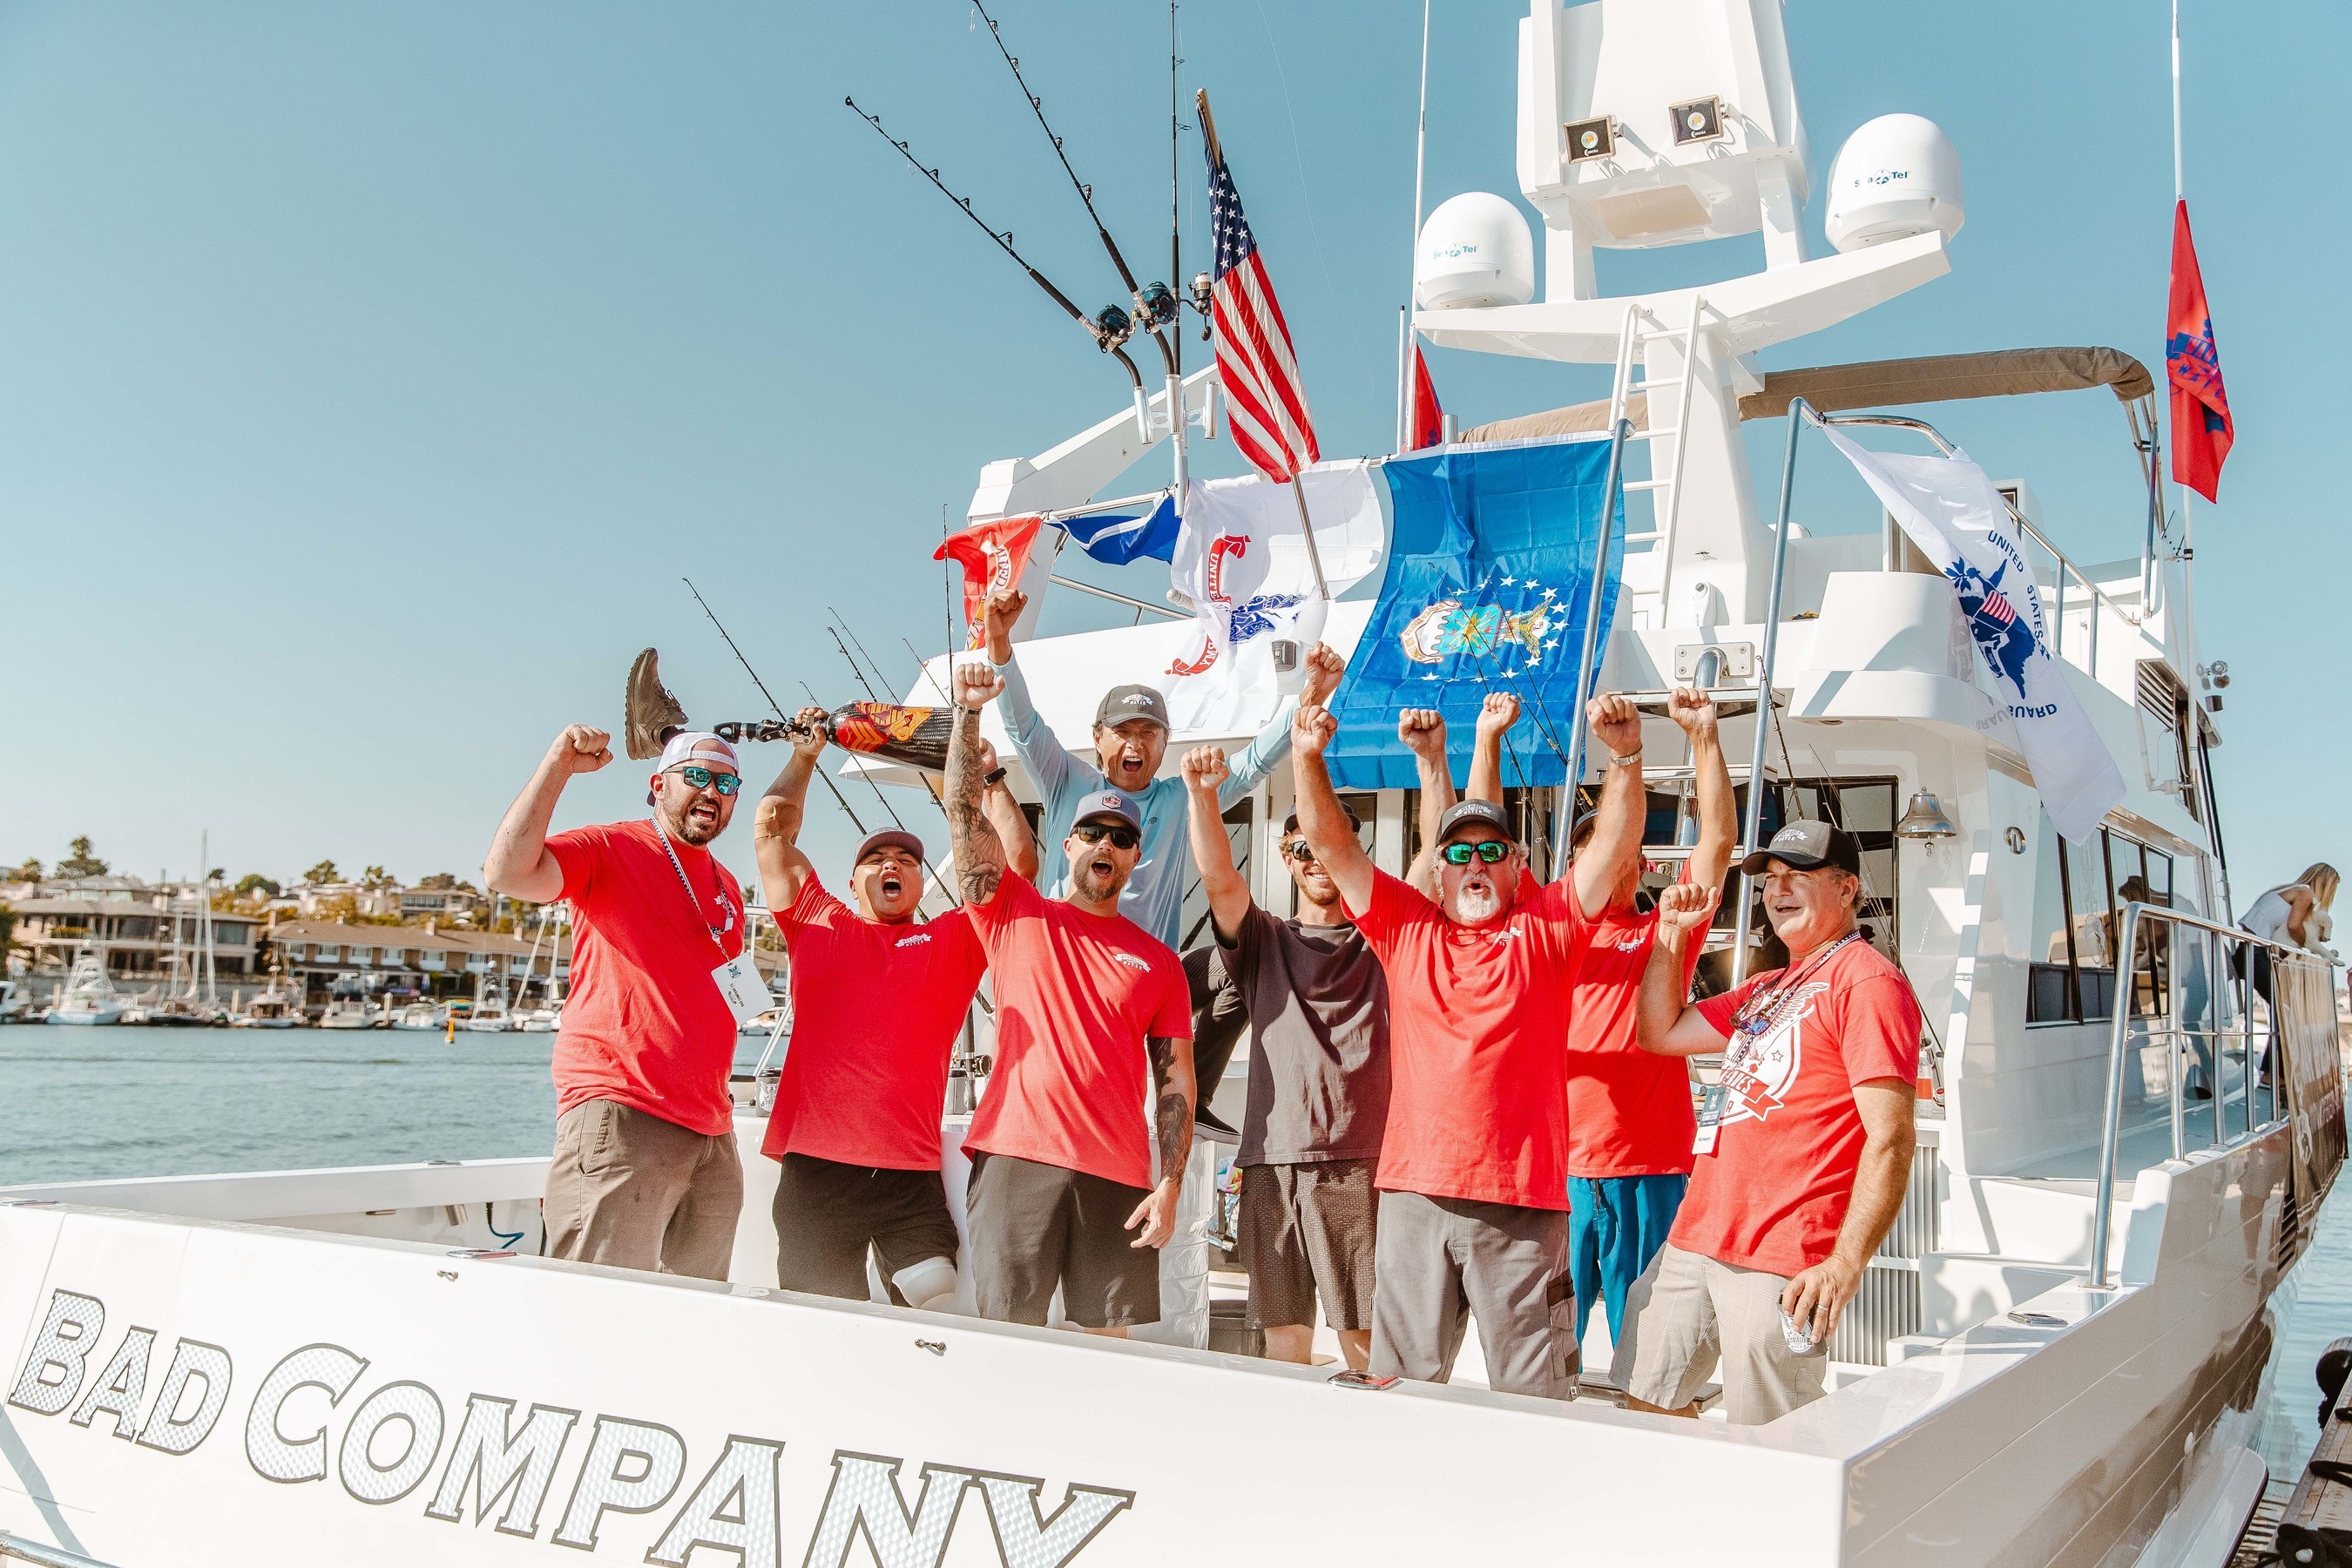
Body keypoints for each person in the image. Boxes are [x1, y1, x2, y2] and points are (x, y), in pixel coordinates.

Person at [1286, 693, 1647, 1400]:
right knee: (1400, 1392)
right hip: (1414, 1197)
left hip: (1523, 1205)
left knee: (1535, 1398)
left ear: (1517, 866)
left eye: (1490, 850)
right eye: (1457, 852)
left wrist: (1626, 758)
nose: (1473, 862)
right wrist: (1306, 757)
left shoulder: (1549, 927)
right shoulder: (1407, 927)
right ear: (1439, 870)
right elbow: (1332, 845)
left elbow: (1612, 849)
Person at [1410, 688, 1737, 1348]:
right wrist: (1488, 738)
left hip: (1649, 1168)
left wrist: (1704, 736)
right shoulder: (1548, 926)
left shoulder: (1666, 930)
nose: (1607, 865)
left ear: (1638, 862)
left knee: (1646, 1343)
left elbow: (1718, 841)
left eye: (1617, 853)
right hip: (1555, 1170)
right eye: (1593, 855)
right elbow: (1484, 840)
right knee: (1549, 1340)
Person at [1617, 820, 1923, 1425]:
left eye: (1798, 877)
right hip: (1696, 1236)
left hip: (1784, 1252)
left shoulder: (1868, 982)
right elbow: (1659, 1032)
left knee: (1772, 1432)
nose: (1778, 890)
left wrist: (1844, 1263)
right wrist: (1670, 934)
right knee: (1647, 1401)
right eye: (1771, 878)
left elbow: (1892, 1136)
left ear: (1847, 889)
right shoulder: (1765, 986)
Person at [750, 706, 1037, 1310]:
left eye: (907, 861)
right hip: (818, 1172)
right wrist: (804, 757)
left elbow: (1015, 869)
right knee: (824, 1319)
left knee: (935, 1305)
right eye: (876, 859)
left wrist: (987, 781)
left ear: (920, 884)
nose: (892, 865)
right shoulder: (816, 920)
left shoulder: (951, 940)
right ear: (852, 882)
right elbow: (772, 835)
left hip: (909, 1174)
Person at [943, 660, 1197, 1335]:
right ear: (1067, 844)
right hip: (1016, 1160)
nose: (1106, 844)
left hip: (1117, 1175)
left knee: (1108, 1352)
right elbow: (963, 816)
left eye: (1122, 837)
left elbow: (1176, 1081)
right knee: (1008, 1342)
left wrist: (1171, 1183)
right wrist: (968, 714)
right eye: (1092, 832)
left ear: (1135, 858)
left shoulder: (1161, 963)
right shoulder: (1014, 911)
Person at [483, 726, 753, 1279]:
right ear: (658, 785)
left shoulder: (727, 885)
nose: (712, 792)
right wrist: (558, 765)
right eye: (696, 777)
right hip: (623, 1109)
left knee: (697, 1312)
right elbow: (507, 873)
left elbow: (730, 992)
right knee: (597, 1301)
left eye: (727, 784)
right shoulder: (610, 847)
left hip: (712, 1129)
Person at [982, 584, 1345, 948]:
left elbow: (1253, 763)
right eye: (1122, 731)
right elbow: (1023, 725)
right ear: (1097, 738)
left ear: (1165, 742)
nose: (1135, 743)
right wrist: (999, 642)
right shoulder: (1066, 780)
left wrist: (1312, 695)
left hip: (1143, 975)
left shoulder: (1182, 798)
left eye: (1148, 732)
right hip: (1061, 961)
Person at [1182, 746, 1389, 1369]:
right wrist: (1203, 795)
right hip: (1270, 1166)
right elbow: (1220, 879)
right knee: (1282, 1343)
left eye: (1330, 845)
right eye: (1303, 848)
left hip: (1358, 1165)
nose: (1317, 858)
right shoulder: (1263, 939)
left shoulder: (1385, 936)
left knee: (1364, 1343)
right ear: (1286, 858)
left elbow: (1433, 863)